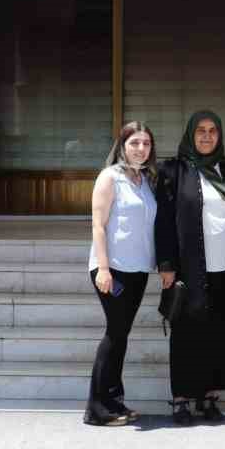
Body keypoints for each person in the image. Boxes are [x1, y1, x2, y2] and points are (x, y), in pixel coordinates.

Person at [154, 110, 225, 425]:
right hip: (188, 268)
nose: (206, 136)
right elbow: (164, 221)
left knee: (218, 333)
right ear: (191, 133)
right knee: (186, 335)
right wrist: (166, 264)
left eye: (213, 130)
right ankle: (181, 400)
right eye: (200, 130)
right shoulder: (174, 171)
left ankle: (209, 397)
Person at [84, 121, 157, 426]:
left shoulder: (145, 179)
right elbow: (98, 225)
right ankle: (97, 409)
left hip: (138, 269)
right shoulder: (110, 177)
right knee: (115, 334)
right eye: (134, 143)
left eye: (146, 144)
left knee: (121, 335)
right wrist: (103, 268)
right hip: (112, 270)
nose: (141, 149)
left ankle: (114, 401)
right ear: (123, 146)